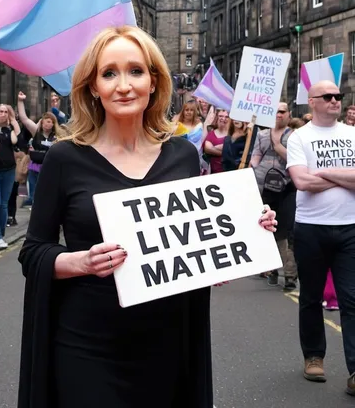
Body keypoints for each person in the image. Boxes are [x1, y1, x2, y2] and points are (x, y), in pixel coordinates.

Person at [17, 26, 277, 408]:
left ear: (154, 82)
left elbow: (194, 246)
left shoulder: (183, 157)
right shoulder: (65, 157)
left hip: (166, 345)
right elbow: (33, 252)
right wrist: (82, 262)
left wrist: (243, 232)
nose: (124, 85)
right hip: (86, 344)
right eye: (109, 73)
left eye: (136, 71)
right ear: (93, 87)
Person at [287, 81, 355, 393]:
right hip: (311, 228)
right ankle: (313, 356)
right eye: (327, 97)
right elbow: (301, 182)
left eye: (338, 96)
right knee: (311, 297)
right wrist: (345, 178)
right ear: (312, 102)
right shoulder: (300, 137)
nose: (335, 101)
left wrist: (323, 174)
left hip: (349, 227)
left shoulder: (352, 134)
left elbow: (312, 178)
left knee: (351, 300)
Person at [250, 102, 297, 290]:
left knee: (285, 231)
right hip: (265, 188)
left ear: (289, 114)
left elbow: (296, 160)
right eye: (275, 111)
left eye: (282, 111)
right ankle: (271, 270)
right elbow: (255, 155)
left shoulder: (294, 137)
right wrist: (253, 167)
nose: (278, 115)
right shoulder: (261, 134)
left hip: (287, 188)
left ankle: (290, 275)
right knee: (267, 230)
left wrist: (278, 147)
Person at [17, 93, 61, 207]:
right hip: (35, 168)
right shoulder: (36, 131)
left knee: (49, 196)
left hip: (50, 169)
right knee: (34, 196)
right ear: (42, 122)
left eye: (51, 122)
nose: (49, 124)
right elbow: (24, 118)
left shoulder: (57, 135)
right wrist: (20, 101)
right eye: (47, 121)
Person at [0, 104, 21, 248]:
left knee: (3, 204)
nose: (3, 114)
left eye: (5, 112)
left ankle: (0, 235)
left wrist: (13, 119)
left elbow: (16, 139)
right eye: (0, 111)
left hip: (9, 171)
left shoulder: (9, 130)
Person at [204, 109, 230, 174]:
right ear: (217, 117)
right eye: (221, 116)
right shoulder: (211, 134)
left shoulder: (232, 135)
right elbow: (207, 149)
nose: (223, 118)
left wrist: (213, 148)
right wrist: (225, 151)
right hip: (212, 173)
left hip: (228, 172)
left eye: (226, 117)